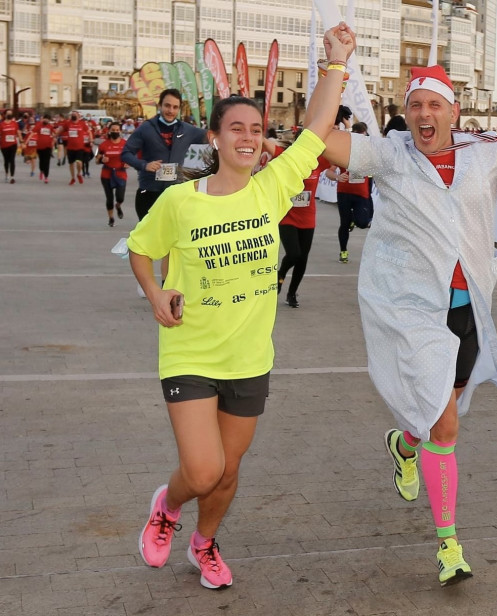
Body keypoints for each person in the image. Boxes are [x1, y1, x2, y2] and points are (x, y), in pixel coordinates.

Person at [320, 63, 497, 587]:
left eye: (435, 104)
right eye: (416, 106)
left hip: (468, 303)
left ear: (454, 111)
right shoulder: (390, 157)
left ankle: (405, 445)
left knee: (440, 410)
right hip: (412, 308)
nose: (425, 114)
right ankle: (448, 544)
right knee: (447, 424)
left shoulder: (487, 155)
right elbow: (319, 137)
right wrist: (334, 71)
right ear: (405, 115)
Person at [127, 23, 355, 591]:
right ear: (216, 137)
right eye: (238, 129)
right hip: (189, 350)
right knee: (202, 471)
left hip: (250, 357)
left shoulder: (272, 187)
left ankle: (204, 543)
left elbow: (318, 127)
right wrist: (156, 293)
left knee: (226, 475)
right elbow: (139, 249)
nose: (249, 138)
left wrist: (337, 62)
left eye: (257, 128)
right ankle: (167, 506)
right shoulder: (180, 201)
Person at [122, 88, 207, 287]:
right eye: (167, 106)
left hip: (175, 193)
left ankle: (166, 284)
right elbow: (126, 153)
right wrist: (144, 165)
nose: (170, 110)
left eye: (175, 107)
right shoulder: (145, 129)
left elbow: (211, 136)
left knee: (171, 243)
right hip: (148, 191)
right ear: (160, 105)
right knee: (148, 241)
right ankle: (144, 280)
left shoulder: (188, 130)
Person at [275, 131, 330, 308]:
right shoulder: (286, 158)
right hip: (287, 216)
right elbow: (264, 144)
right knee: (294, 253)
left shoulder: (319, 161)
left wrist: (339, 124)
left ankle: (292, 293)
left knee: (302, 258)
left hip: (307, 218)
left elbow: (334, 147)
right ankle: (281, 273)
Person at [327, 111, 373, 264]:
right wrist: (338, 177)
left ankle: (355, 219)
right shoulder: (345, 153)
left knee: (363, 222)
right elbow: (329, 172)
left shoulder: (370, 154)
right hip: (345, 192)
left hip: (361, 194)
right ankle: (343, 251)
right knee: (344, 224)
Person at [96, 122, 128, 227]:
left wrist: (128, 163)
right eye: (113, 130)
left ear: (120, 131)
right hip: (107, 174)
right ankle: (111, 218)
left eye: (117, 130)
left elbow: (130, 157)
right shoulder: (103, 144)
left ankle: (118, 205)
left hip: (120, 173)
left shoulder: (125, 144)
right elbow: (96, 160)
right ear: (109, 131)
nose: (115, 132)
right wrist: (102, 159)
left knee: (120, 197)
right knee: (109, 198)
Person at [58, 111, 89, 185]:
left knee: (79, 162)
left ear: (78, 116)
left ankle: (79, 174)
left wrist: (90, 140)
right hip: (70, 147)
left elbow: (89, 131)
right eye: (72, 115)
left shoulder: (82, 123)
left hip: (79, 147)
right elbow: (60, 130)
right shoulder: (68, 123)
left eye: (75, 115)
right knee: (71, 163)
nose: (73, 116)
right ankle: (73, 178)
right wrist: (55, 135)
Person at [1, 110, 20, 184]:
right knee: (6, 161)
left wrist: (21, 141)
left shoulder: (14, 123)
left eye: (11, 113)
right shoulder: (1, 124)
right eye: (8, 113)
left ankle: (12, 177)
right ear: (5, 115)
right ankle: (6, 175)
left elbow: (18, 132)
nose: (9, 114)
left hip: (13, 144)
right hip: (4, 145)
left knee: (12, 160)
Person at [36, 116, 55, 184]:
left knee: (47, 162)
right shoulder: (38, 126)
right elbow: (33, 132)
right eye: (45, 119)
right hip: (40, 146)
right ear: (43, 119)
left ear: (49, 120)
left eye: (47, 119)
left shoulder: (50, 127)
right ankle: (41, 171)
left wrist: (53, 140)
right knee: (41, 161)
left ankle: (46, 177)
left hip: (48, 147)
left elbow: (54, 134)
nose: (46, 120)